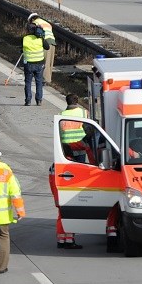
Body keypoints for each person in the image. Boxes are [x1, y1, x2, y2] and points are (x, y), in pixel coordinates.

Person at [54, 94, 90, 249]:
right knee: (81, 176)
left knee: (71, 177)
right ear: (77, 101)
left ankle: (63, 238)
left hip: (66, 150)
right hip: (80, 148)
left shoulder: (61, 115)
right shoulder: (83, 113)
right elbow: (89, 129)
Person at [20, 17, 47, 107]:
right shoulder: (40, 39)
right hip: (39, 63)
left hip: (28, 64)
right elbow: (47, 47)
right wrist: (43, 37)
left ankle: (28, 101)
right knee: (39, 82)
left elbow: (21, 49)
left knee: (28, 82)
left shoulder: (25, 39)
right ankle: (39, 100)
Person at [27, 12, 57, 78]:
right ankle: (47, 79)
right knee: (49, 63)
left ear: (32, 19)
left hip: (45, 43)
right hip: (52, 43)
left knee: (43, 62)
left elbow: (32, 35)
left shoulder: (35, 23)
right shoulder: (47, 23)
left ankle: (42, 79)